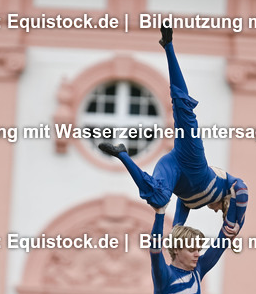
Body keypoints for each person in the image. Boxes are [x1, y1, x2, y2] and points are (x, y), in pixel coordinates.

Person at [99, 24, 248, 233]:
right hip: (192, 161)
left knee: (159, 199)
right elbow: (242, 188)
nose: (215, 210)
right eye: (219, 210)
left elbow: (178, 221)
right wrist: (235, 223)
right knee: (182, 108)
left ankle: (122, 154)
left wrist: (171, 225)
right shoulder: (228, 187)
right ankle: (168, 46)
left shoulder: (192, 203)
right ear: (224, 204)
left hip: (171, 166)